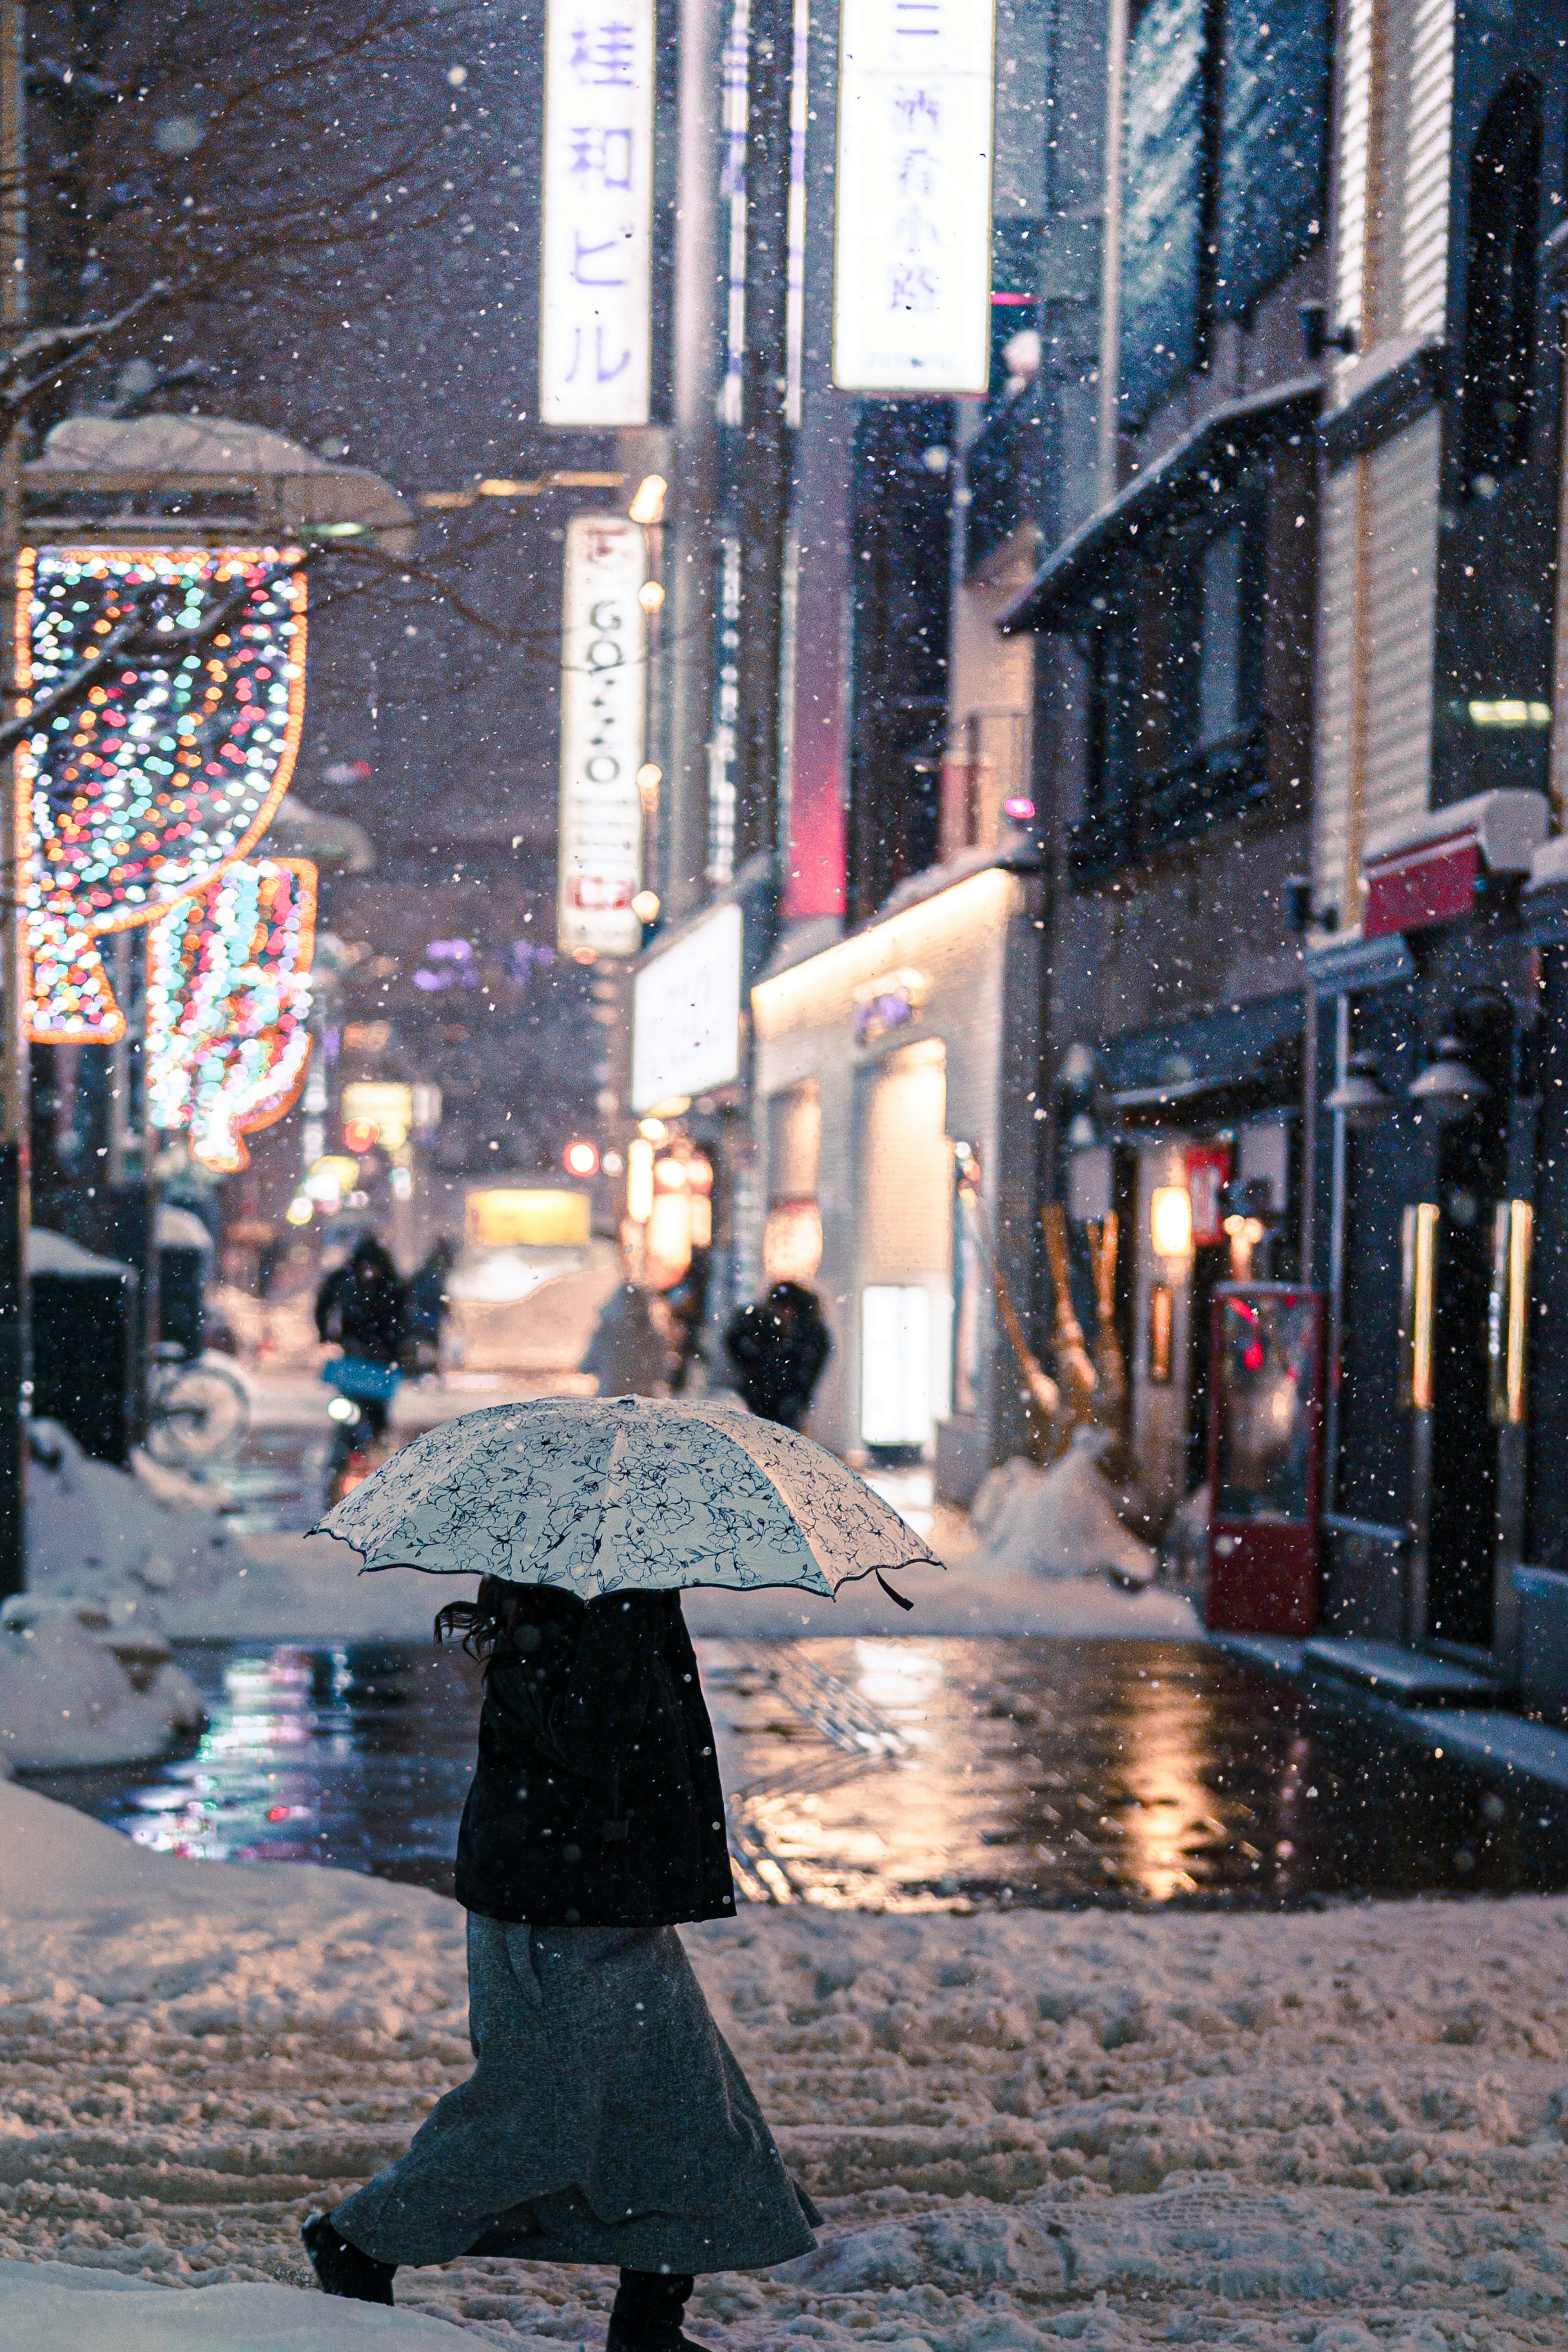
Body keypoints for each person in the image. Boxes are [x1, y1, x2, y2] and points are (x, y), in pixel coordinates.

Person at [301, 1578, 818, 2333]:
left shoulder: (604, 1601)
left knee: (683, 2111)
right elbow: (592, 1736)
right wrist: (631, 1610)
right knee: (535, 2121)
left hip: (614, 1897)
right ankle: (359, 2242)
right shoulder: (565, 1611)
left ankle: (650, 2324)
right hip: (556, 1908)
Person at [315, 1234, 408, 1466]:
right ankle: (358, 1451)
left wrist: (399, 1349)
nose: (368, 1273)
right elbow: (324, 1304)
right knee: (349, 1411)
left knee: (377, 1415)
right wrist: (327, 1335)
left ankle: (377, 1448)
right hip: (358, 1358)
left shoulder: (391, 1286)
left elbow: (406, 1322)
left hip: (380, 1361)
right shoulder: (349, 1281)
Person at [723, 1281, 832, 1430]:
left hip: (783, 1403)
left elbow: (807, 1373)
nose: (780, 1313)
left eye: (785, 1308)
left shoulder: (807, 1338)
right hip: (762, 1401)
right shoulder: (763, 1329)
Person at [580, 1280, 674, 1398]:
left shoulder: (605, 1333)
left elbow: (586, 1367)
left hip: (609, 1400)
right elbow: (661, 1372)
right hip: (643, 1401)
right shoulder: (651, 1336)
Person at [406, 1234, 456, 1379]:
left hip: (423, 1316)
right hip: (427, 1317)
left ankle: (422, 1370)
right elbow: (437, 1294)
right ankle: (426, 1370)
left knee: (423, 1344)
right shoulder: (435, 1274)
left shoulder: (428, 1271)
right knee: (428, 1343)